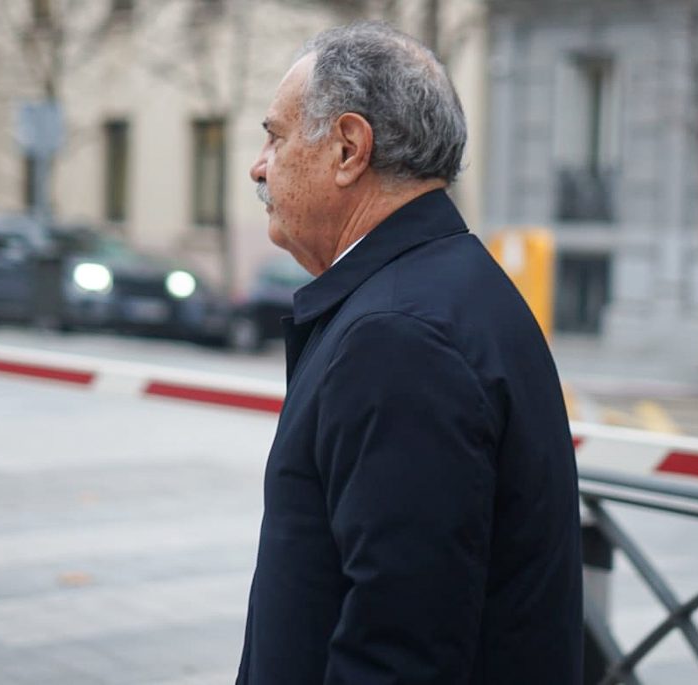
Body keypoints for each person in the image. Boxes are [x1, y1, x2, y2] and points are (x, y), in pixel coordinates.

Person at [237, 21, 582, 685]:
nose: (259, 164)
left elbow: (397, 651)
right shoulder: (444, 288)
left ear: (348, 148)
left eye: (276, 137)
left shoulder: (398, 336)